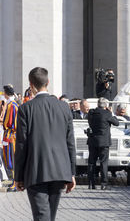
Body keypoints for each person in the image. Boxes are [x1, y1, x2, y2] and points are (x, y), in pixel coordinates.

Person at [14, 67, 76, 221]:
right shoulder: (64, 107)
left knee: (42, 216)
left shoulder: (25, 109)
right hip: (60, 171)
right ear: (48, 82)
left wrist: (18, 176)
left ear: (31, 84)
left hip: (36, 170)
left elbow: (22, 144)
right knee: (49, 216)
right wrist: (71, 173)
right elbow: (70, 143)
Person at [87, 97, 119, 190]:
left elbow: (89, 121)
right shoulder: (107, 114)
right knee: (103, 163)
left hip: (93, 140)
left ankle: (91, 183)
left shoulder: (91, 113)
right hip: (104, 142)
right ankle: (103, 183)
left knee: (91, 162)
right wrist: (111, 112)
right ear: (106, 106)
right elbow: (116, 123)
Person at [2, 84, 19, 192]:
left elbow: (12, 122)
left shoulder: (12, 105)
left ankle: (15, 183)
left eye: (4, 92)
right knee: (9, 158)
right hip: (8, 134)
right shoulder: (10, 104)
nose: (3, 94)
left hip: (11, 135)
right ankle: (13, 180)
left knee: (12, 158)